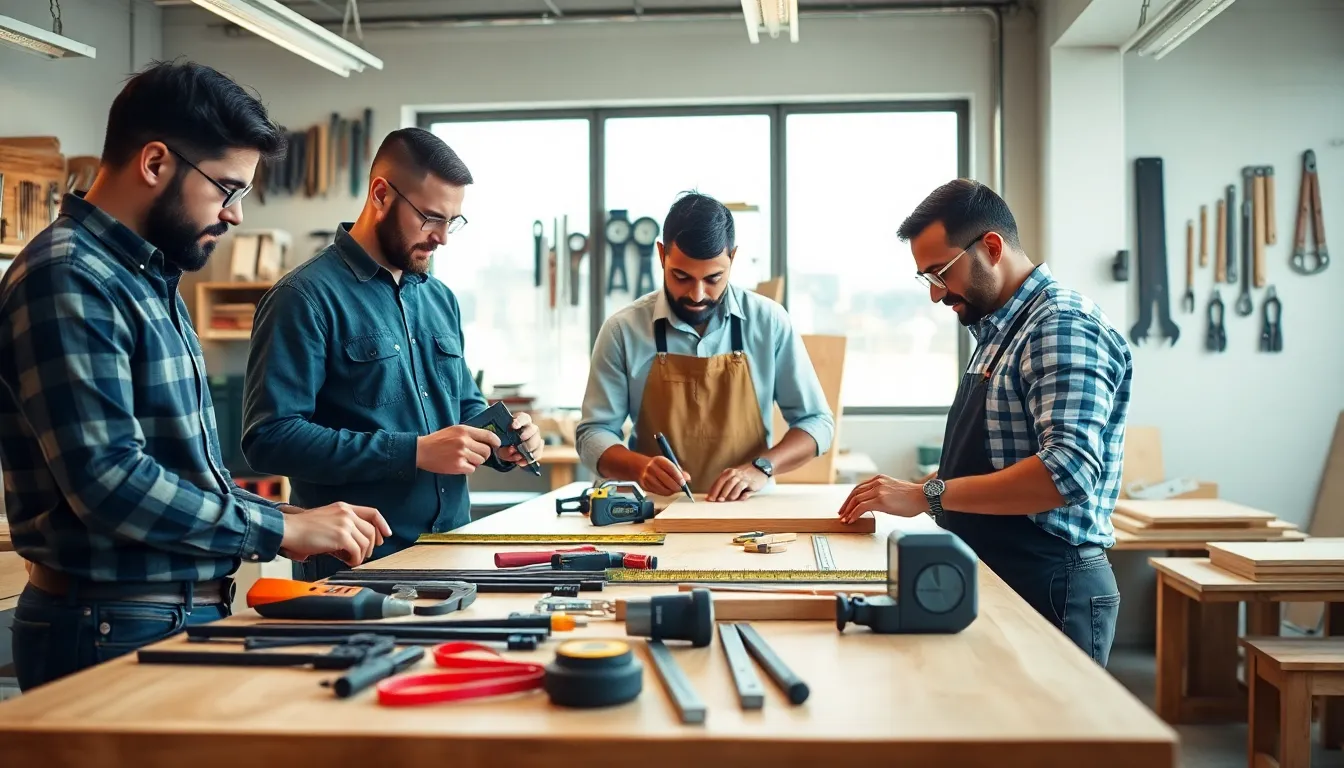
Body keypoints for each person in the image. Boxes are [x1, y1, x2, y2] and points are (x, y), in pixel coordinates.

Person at [0, 61, 391, 692]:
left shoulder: (147, 280)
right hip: (111, 622)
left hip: (161, 612)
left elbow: (183, 478)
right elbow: (110, 483)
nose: (237, 215)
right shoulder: (68, 277)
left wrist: (292, 514)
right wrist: (281, 526)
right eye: (228, 189)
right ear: (155, 163)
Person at [837, 179, 1131, 667]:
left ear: (991, 247)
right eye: (925, 279)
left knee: (1049, 738)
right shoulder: (999, 329)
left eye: (940, 273)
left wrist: (928, 496)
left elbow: (1069, 473)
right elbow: (1000, 459)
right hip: (1001, 570)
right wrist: (918, 488)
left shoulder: (1060, 325)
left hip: (1053, 584)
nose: (935, 296)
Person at [241, 127, 543, 581]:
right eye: (430, 218)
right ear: (381, 194)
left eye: (452, 221)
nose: (442, 238)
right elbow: (269, 439)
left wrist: (507, 441)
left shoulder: (441, 299)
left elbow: (463, 406)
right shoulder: (302, 298)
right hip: (358, 568)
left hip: (452, 555)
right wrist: (413, 452)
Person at [577, 192, 834, 502]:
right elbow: (593, 433)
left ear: (733, 258)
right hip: (653, 512)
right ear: (662, 255)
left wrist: (761, 468)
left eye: (713, 278)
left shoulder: (769, 322)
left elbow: (817, 423)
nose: (697, 295)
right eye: (681, 277)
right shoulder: (622, 330)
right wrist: (640, 468)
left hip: (747, 511)